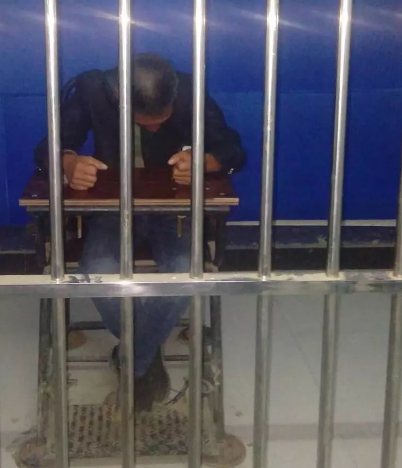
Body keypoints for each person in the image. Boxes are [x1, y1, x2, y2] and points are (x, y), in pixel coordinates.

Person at [35, 53, 245, 411]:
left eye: (163, 118)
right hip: (112, 207)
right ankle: (148, 349)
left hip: (173, 208)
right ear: (118, 98)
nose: (155, 127)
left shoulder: (189, 89)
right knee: (97, 272)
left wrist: (205, 162)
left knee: (185, 270)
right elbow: (47, 148)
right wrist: (68, 163)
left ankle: (132, 358)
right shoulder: (92, 89)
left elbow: (232, 149)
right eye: (144, 120)